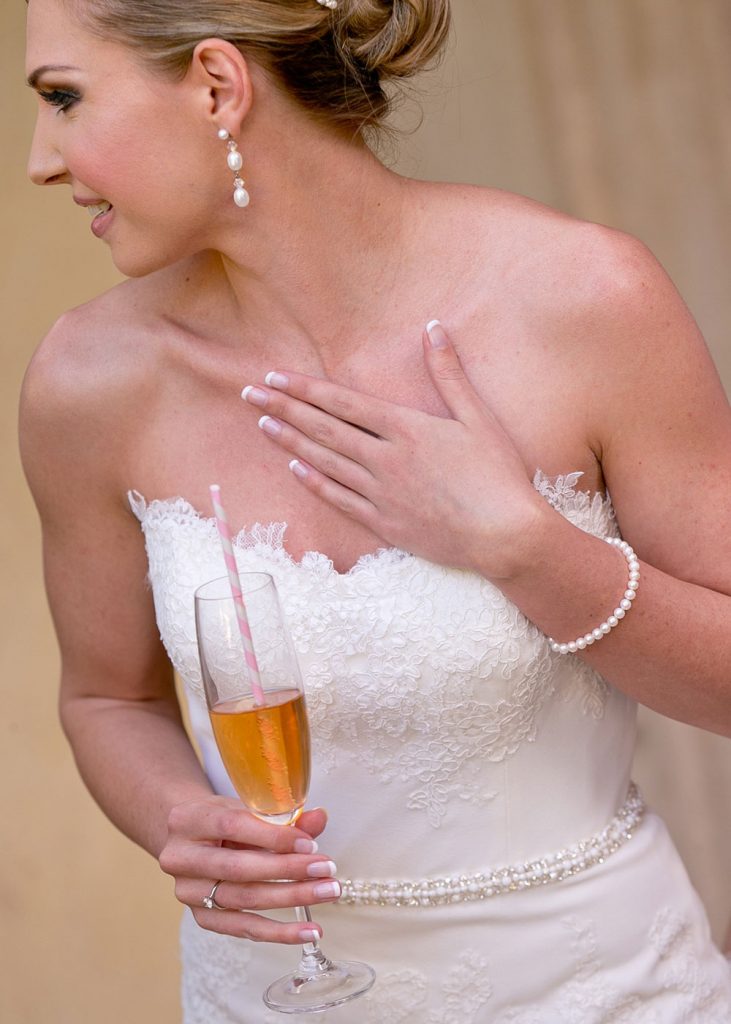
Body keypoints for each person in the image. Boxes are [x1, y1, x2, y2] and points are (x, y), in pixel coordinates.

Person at [19, 0, 731, 1020]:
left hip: (602, 991)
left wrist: (524, 548)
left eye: (64, 99)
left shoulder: (583, 299)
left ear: (217, 83)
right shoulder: (87, 384)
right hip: (273, 999)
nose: (42, 159)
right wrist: (178, 815)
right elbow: (106, 701)